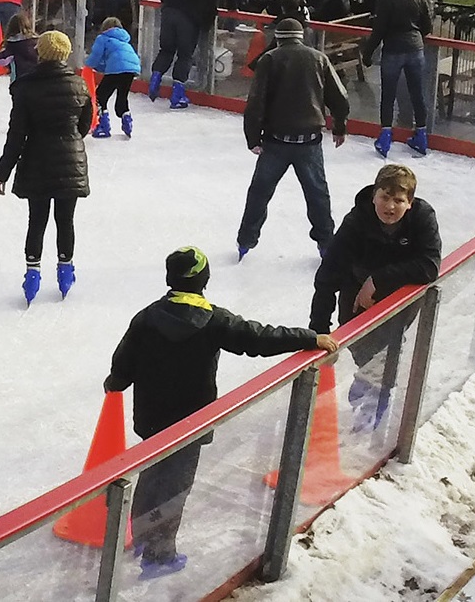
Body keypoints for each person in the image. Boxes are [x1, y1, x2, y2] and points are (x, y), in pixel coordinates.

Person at [105, 248, 338, 580]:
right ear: (204, 280)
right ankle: (159, 554)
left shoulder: (147, 317)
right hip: (191, 423)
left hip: (152, 418)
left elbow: (123, 361)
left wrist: (115, 382)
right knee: (175, 486)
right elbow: (259, 338)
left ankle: (143, 539)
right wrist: (309, 337)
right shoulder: (213, 320)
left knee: (153, 475)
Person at [310, 164, 441, 428]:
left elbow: (429, 265)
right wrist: (318, 331)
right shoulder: (357, 222)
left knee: (388, 342)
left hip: (398, 295)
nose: (390, 207)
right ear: (374, 196)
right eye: (384, 197)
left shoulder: (422, 218)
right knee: (354, 335)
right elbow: (327, 276)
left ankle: (378, 397)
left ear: (410, 203)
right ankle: (368, 377)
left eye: (398, 200)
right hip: (355, 290)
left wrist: (378, 280)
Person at [236, 19, 351, 258]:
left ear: (278, 38)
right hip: (309, 141)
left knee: (259, 192)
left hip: (276, 142)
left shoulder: (269, 60)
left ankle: (247, 239)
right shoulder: (319, 58)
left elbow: (256, 102)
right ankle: (326, 242)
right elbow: (339, 97)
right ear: (300, 36)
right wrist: (339, 126)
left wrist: (253, 138)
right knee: (318, 194)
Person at [0, 30, 92, 304]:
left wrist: (3, 170)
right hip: (71, 162)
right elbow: (84, 126)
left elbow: (17, 134)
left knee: (36, 221)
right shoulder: (79, 85)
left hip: (36, 161)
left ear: (40, 53)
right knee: (65, 220)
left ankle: (33, 273)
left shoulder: (25, 87)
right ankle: (65, 269)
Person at [365, 0, 435, 157]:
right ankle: (421, 136)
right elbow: (427, 26)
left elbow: (378, 30)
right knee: (417, 93)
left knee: (388, 95)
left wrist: (368, 53)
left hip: (393, 51)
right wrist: (416, 38)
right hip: (415, 50)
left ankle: (386, 138)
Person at [153, 0, 229, 108]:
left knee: (166, 50)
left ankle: (155, 79)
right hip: (189, 17)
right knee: (185, 55)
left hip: (169, 10)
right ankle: (177, 95)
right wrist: (234, 6)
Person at [87, 16, 143, 137]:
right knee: (122, 98)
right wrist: (101, 69)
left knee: (100, 97)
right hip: (131, 70)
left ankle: (103, 125)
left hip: (116, 68)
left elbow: (96, 56)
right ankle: (126, 119)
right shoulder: (124, 39)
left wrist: (88, 66)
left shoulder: (103, 38)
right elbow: (116, 61)